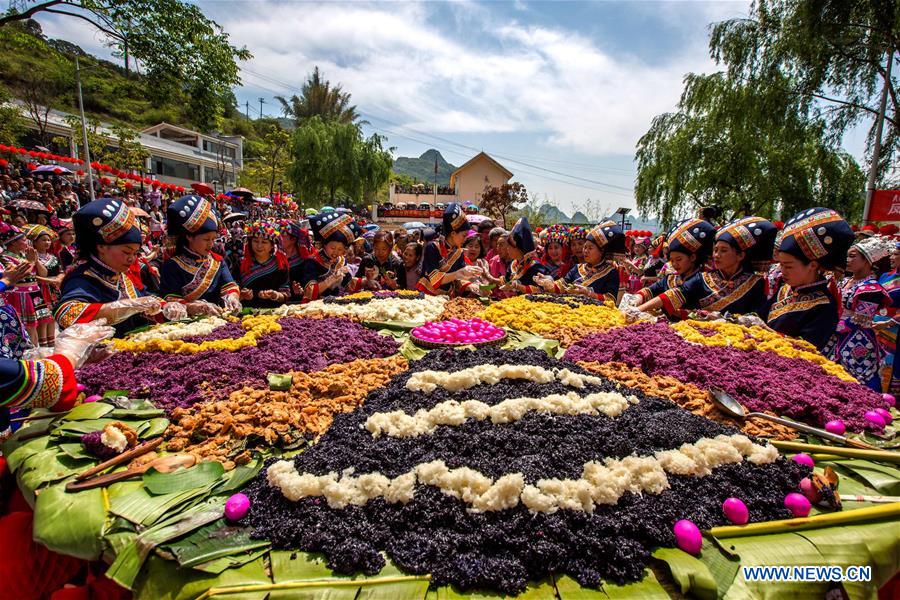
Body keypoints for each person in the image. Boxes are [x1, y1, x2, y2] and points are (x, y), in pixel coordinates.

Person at [55, 198, 166, 337]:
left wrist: (165, 307)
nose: (132, 258)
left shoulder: (120, 275)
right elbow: (66, 314)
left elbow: (143, 299)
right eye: (126, 252)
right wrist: (129, 306)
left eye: (135, 253)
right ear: (101, 247)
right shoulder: (83, 278)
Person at [639, 216, 776, 317]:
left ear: (740, 255)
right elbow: (674, 294)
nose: (716, 255)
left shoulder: (755, 283)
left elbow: (758, 317)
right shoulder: (703, 278)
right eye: (715, 250)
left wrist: (722, 319)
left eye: (723, 250)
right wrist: (638, 309)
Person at [768, 208, 854, 351]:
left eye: (788, 266)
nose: (782, 271)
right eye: (780, 265)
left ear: (812, 265)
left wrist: (764, 332)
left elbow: (807, 348)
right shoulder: (785, 289)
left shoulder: (824, 305)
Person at [824, 235, 893, 391]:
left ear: (867, 260)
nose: (847, 260)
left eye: (852, 256)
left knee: (858, 381)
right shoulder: (844, 281)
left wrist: (834, 324)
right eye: (847, 256)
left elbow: (861, 320)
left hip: (857, 339)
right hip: (836, 334)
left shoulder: (871, 289)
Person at [158, 196, 241, 314]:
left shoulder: (217, 261)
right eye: (206, 239)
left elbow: (228, 286)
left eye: (214, 239)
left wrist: (232, 297)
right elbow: (170, 300)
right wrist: (193, 308)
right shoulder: (172, 266)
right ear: (189, 237)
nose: (211, 244)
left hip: (219, 320)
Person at [634, 219, 715, 318]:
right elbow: (649, 291)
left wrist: (637, 310)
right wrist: (635, 301)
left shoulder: (703, 280)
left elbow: (670, 296)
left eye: (679, 259)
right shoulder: (670, 279)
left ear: (692, 257)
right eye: (672, 260)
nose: (674, 264)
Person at [536, 220, 626, 303]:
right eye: (585, 247)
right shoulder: (577, 268)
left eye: (590, 248)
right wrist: (548, 282)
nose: (585, 251)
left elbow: (611, 300)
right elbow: (561, 286)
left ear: (601, 251)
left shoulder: (611, 272)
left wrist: (589, 294)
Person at [0, 223, 52, 346]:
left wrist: (36, 261)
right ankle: (31, 352)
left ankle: (42, 350)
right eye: (24, 240)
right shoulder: (4, 258)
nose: (27, 243)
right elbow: (21, 273)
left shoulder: (25, 255)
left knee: (41, 323)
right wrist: (31, 262)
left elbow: (43, 274)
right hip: (20, 295)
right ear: (13, 243)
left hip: (34, 292)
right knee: (29, 326)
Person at [417, 203, 482, 295]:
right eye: (463, 235)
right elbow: (434, 279)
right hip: (427, 296)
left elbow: (460, 278)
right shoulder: (432, 247)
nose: (465, 239)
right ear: (453, 234)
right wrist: (457, 273)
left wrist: (473, 287)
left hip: (446, 297)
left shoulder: (459, 252)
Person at [299, 212, 365, 300]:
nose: (336, 252)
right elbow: (310, 292)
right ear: (325, 245)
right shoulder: (312, 261)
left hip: (333, 304)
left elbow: (349, 284)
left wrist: (366, 281)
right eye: (332, 248)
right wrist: (332, 279)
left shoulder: (341, 261)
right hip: (315, 306)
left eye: (340, 249)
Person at [239, 221, 291, 308]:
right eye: (255, 241)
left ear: (272, 245)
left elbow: (285, 294)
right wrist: (242, 294)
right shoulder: (241, 263)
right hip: (246, 314)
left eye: (264, 242)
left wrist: (275, 295)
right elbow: (233, 289)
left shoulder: (280, 266)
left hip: (274, 313)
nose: (259, 246)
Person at [27, 225, 63, 346]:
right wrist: (48, 281)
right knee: (42, 318)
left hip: (53, 289)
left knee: (52, 316)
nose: (47, 242)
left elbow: (61, 272)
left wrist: (58, 279)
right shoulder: (30, 258)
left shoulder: (53, 257)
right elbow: (31, 276)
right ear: (34, 242)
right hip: (39, 290)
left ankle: (52, 343)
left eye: (48, 240)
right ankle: (43, 345)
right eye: (43, 240)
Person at [499, 217, 547, 295]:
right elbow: (506, 282)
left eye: (509, 246)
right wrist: (487, 276)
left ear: (519, 248)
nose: (507, 249)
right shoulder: (514, 264)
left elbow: (540, 290)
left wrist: (518, 286)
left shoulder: (535, 266)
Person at [876, 242, 900, 393]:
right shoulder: (885, 276)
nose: (892, 257)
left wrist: (891, 322)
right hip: (878, 327)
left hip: (896, 330)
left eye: (896, 254)